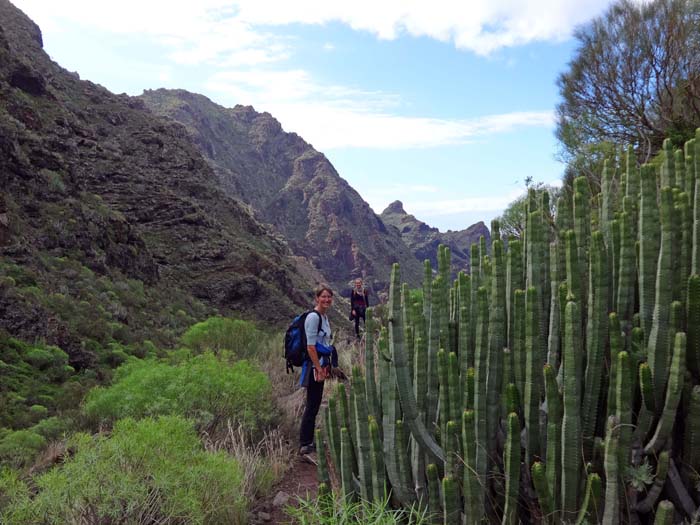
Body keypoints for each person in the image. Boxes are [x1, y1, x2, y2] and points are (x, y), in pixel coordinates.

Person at [299, 283, 334, 455]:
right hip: (314, 367)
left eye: (329, 297)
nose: (326, 299)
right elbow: (311, 347)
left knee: (315, 402)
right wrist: (319, 368)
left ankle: (309, 441)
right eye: (323, 296)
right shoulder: (313, 317)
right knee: (312, 404)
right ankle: (305, 444)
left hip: (321, 366)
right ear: (317, 298)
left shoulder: (324, 317)